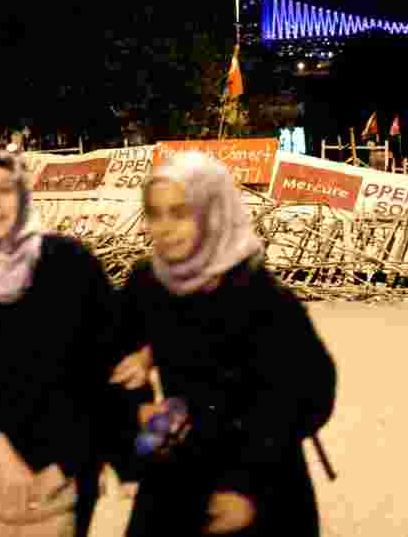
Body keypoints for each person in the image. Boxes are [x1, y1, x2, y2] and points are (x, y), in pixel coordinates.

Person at [109, 151, 337, 536]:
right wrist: (140, 411)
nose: (164, 228)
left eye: (180, 213)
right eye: (155, 213)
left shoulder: (261, 295)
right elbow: (114, 356)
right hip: (179, 468)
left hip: (259, 481)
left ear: (212, 213)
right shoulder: (148, 283)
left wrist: (246, 483)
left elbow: (313, 392)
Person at [0, 148, 142, 537]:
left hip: (70, 464)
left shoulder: (71, 264)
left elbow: (113, 366)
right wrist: (4, 458)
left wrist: (121, 464)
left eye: (5, 190)